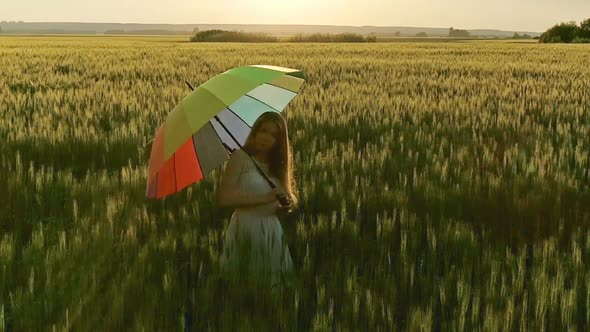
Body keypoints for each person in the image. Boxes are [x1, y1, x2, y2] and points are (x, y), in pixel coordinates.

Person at [217, 111, 299, 291]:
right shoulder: (240, 158)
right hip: (245, 229)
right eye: (263, 131)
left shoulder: (278, 165)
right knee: (244, 290)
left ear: (279, 140)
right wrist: (266, 198)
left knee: (273, 293)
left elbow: (288, 198)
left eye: (273, 135)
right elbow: (224, 199)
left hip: (271, 232)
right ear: (255, 132)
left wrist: (286, 204)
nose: (266, 137)